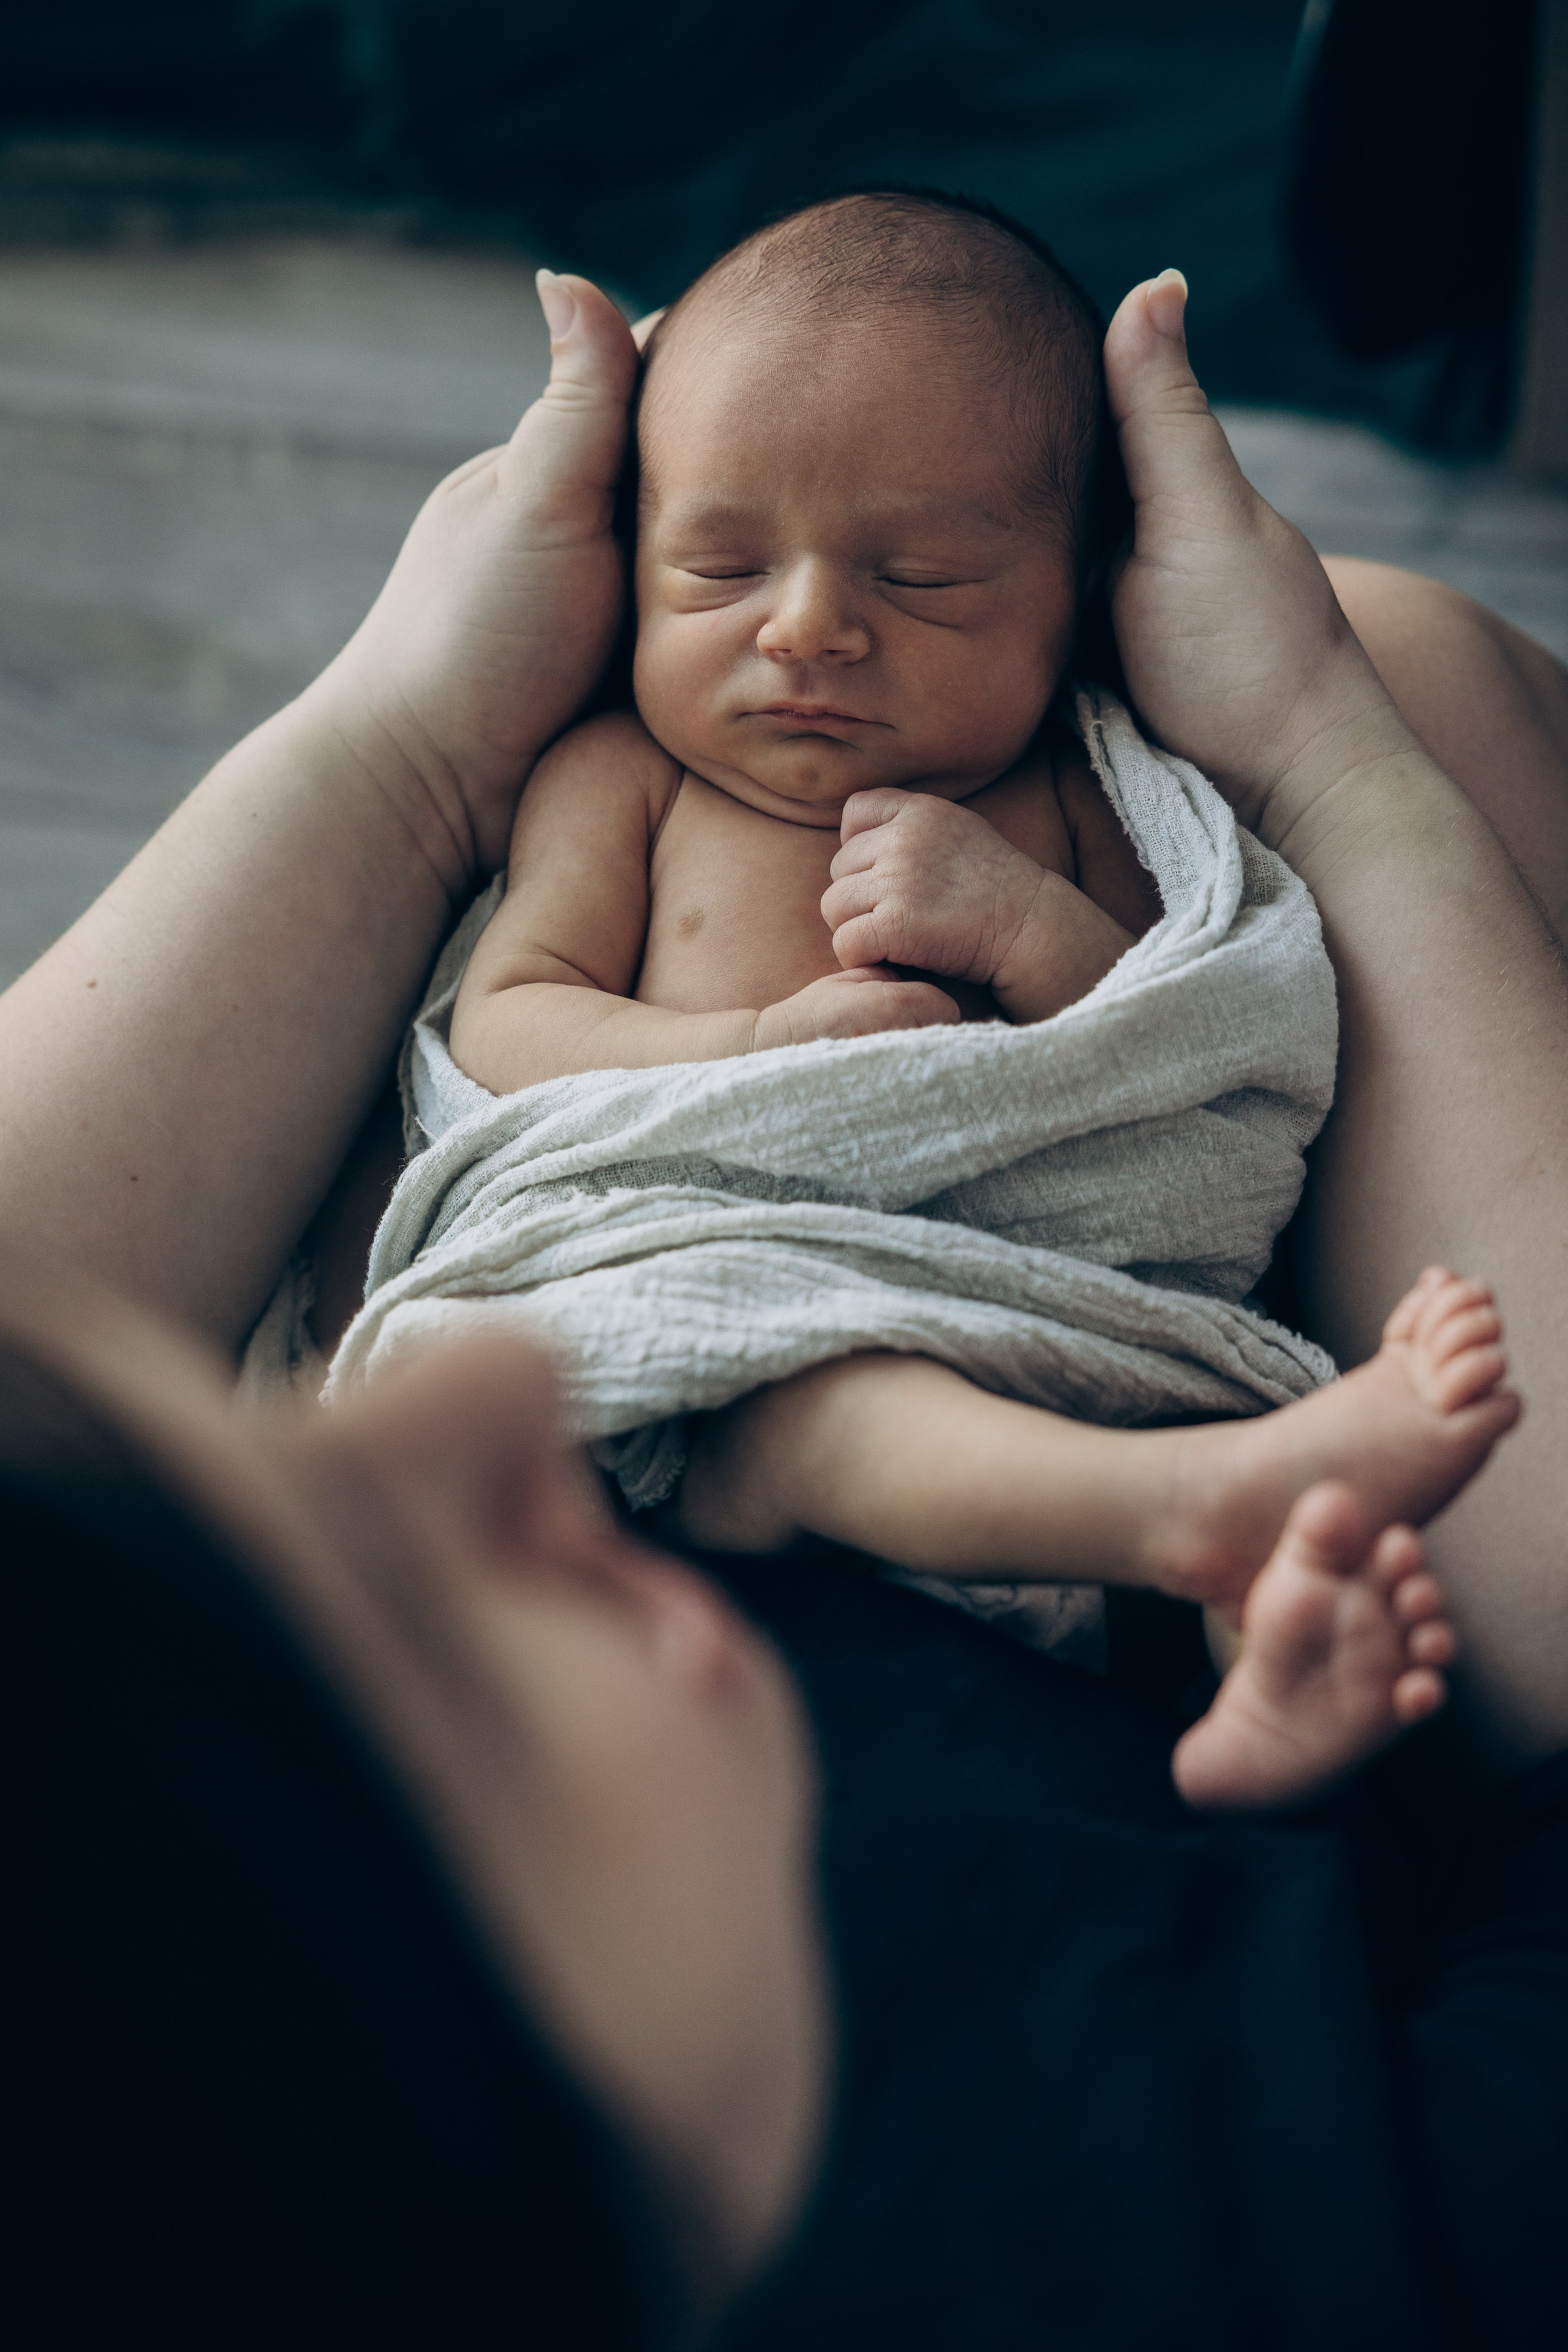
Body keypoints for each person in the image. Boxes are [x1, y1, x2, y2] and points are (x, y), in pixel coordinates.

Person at [1, 254, 1565, 2346]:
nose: (409, 1411)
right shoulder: (1302, 2235)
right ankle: (1218, 1574)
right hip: (1157, 1629)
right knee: (1416, 664)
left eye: (299, 1544)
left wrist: (401, 744)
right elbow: (1215, 1040)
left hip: (751, 1392)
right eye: (416, 1644)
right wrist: (1323, 758)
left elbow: (1108, 1027)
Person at [424, 192, 1510, 1811]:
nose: (806, 627)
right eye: (718, 563)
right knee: (829, 1403)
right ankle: (1208, 1525)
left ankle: (1269, 1670)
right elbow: (510, 1023)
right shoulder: (622, 781)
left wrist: (1024, 925)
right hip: (748, 1324)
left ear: (1077, 595)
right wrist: (747, 1052)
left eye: (920, 579)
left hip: (1060, 1308)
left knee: (1209, 1393)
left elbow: (1192, 1043)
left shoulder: (1097, 792)